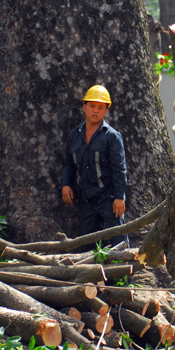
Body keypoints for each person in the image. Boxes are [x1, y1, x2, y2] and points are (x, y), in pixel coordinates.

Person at [62, 85, 129, 251]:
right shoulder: (74, 135)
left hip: (109, 197)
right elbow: (69, 163)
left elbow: (119, 169)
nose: (95, 111)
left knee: (118, 239)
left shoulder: (112, 136)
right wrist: (66, 184)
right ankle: (90, 276)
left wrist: (120, 197)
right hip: (86, 197)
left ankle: (123, 276)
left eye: (100, 107)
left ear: (106, 111)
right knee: (86, 243)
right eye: (92, 106)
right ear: (84, 107)